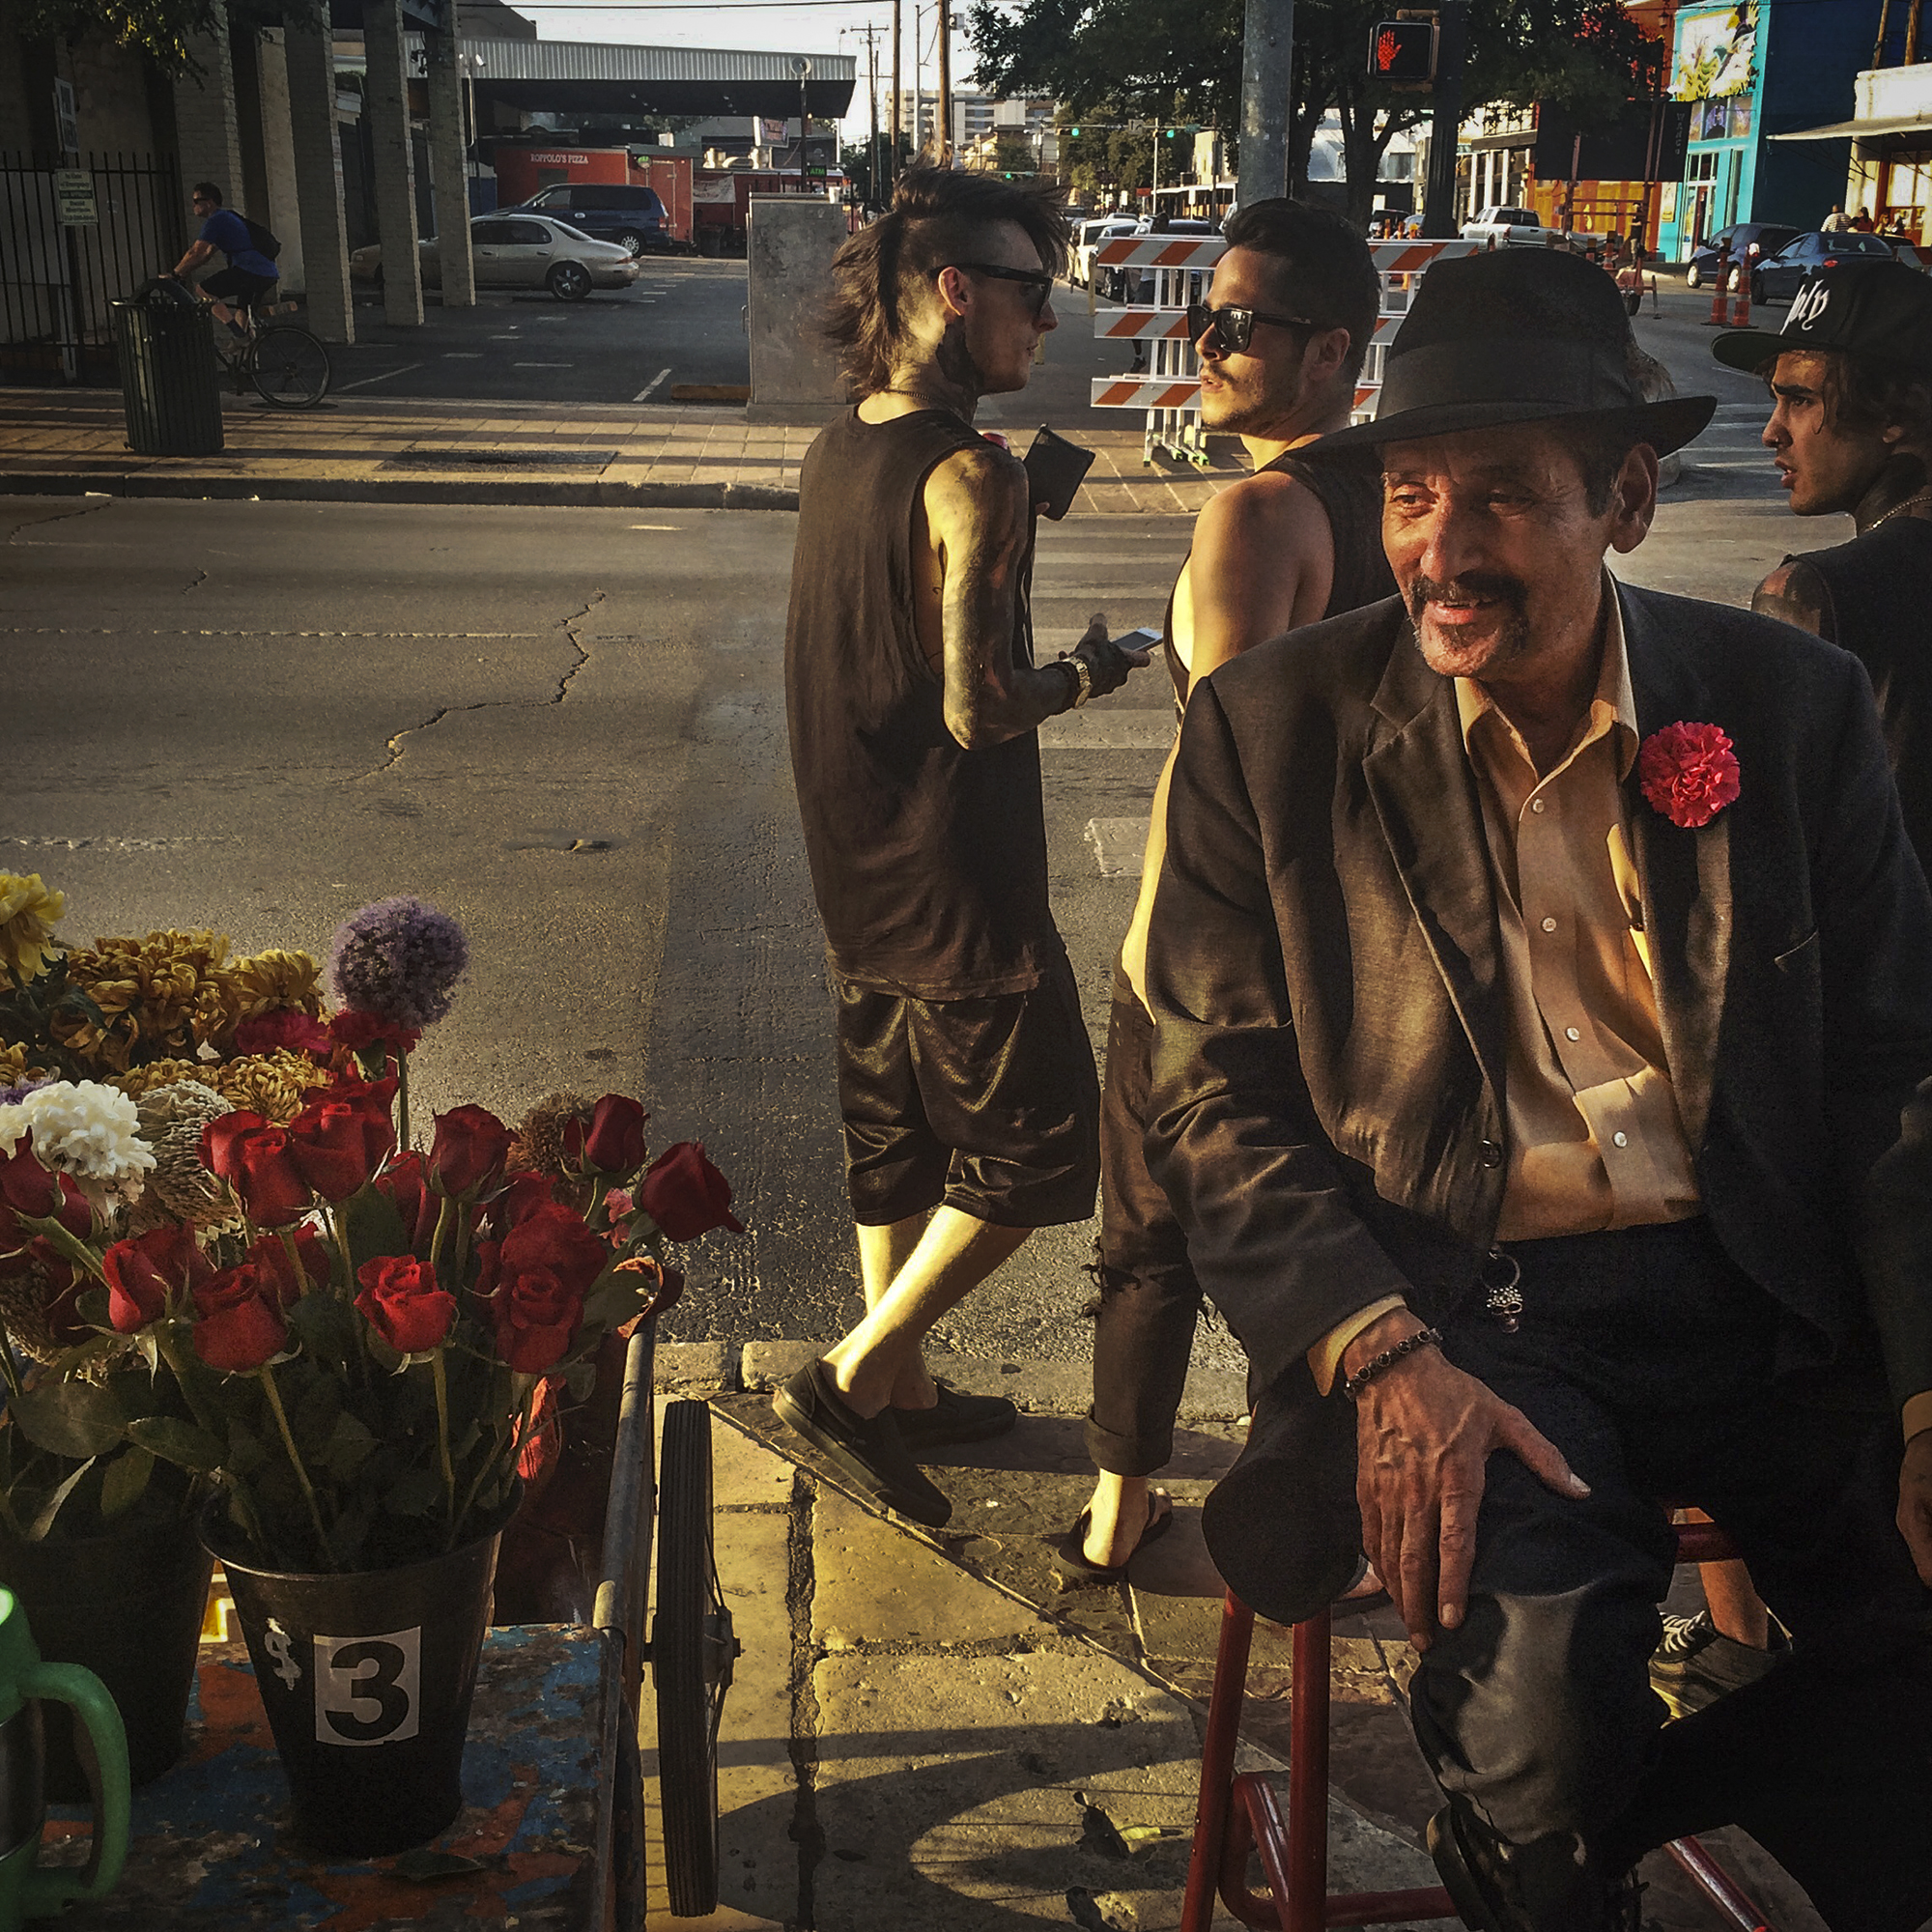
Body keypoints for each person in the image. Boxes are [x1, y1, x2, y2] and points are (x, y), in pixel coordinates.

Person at [1144, 247, 1932, 1931]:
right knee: (1553, 1704)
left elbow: (1891, 1068)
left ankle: (1620, 1827)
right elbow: (1210, 1094)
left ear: (1628, 500)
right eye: (1415, 493)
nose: (1440, 545)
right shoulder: (1272, 730)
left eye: (1501, 495)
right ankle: (1560, 1835)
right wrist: (1377, 1350)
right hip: (1466, 1316)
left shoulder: (1786, 707)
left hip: (1762, 1291)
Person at [776, 166, 1147, 1529]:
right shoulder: (968, 471)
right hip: (956, 866)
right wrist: (1096, 671)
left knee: (897, 1130)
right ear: (953, 293)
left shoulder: (840, 446)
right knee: (1039, 1153)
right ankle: (850, 1375)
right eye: (1032, 299)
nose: (1045, 327)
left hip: (855, 849)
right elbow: (980, 706)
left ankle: (906, 1390)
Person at [1059, 200, 1396, 1586]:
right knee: (1325, 1226)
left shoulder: (1261, 512)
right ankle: (1322, 1507)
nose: (1206, 344)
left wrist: (1163, 944)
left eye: (1237, 326)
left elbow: (1230, 772)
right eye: (1206, 315)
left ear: (1330, 352)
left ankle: (1122, 1502)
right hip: (1368, 945)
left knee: (1149, 1227)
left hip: (1216, 947)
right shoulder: (1412, 497)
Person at [1715, 259, 1932, 866]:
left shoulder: (1811, 593)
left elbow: (1775, 831)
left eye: (1801, 400)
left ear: (1897, 414)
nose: (1772, 432)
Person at [170, 182, 277, 327]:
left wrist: (175, 274)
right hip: (265, 272)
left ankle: (238, 334)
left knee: (203, 290)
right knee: (242, 310)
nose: (193, 205)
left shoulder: (216, 220)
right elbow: (205, 256)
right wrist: (183, 273)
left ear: (209, 203)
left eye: (196, 201)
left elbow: (195, 252)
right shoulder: (227, 217)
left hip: (250, 270)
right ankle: (245, 344)